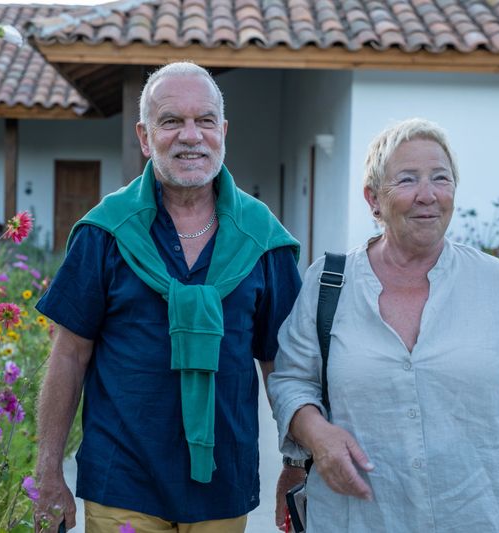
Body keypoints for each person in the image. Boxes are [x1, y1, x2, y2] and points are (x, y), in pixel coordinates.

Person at [268, 118, 499, 532]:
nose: (428, 195)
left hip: (484, 517)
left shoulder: (495, 283)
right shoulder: (329, 283)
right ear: (373, 198)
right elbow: (291, 380)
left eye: (441, 178)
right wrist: (318, 436)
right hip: (364, 519)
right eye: (408, 180)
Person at [33, 61, 302, 533]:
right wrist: (48, 469)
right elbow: (69, 355)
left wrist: (295, 462)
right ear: (145, 136)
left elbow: (281, 366)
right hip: (122, 480)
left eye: (204, 121)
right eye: (171, 121)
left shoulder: (263, 239)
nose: (190, 136)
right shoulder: (105, 232)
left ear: (223, 131)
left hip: (223, 483)